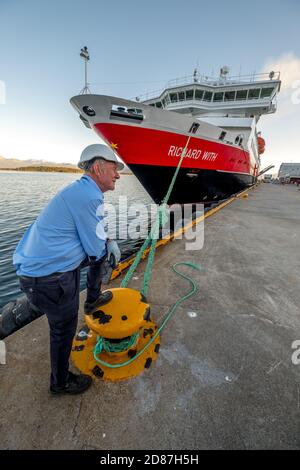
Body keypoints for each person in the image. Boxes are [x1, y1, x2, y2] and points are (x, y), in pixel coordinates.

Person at [12, 144, 123, 395]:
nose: (118, 175)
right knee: (63, 330)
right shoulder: (88, 196)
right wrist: (108, 246)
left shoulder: (82, 191)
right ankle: (59, 382)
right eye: (115, 169)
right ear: (97, 168)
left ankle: (92, 300)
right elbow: (95, 251)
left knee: (102, 252)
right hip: (48, 278)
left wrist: (106, 241)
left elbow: (95, 233)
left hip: (45, 269)